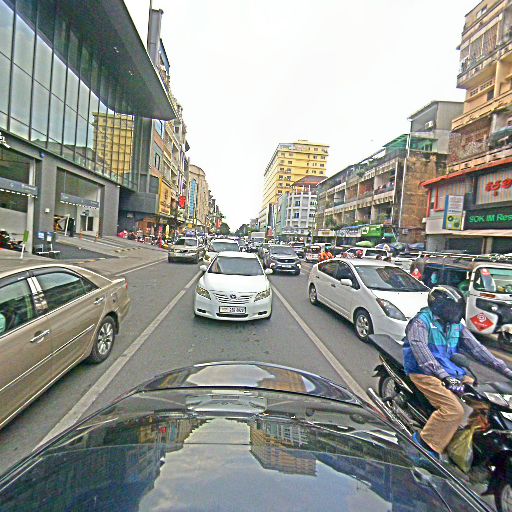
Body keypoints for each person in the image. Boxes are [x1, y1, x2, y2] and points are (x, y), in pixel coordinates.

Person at [403, 285, 512, 458]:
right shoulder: (420, 323)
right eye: (452, 309)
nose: (456, 313)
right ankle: (423, 448)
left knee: (484, 400)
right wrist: (445, 377)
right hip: (424, 373)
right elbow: (423, 355)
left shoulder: (456, 325)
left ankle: (465, 440)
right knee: (453, 410)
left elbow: (478, 350)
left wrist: (506, 371)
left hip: (451, 372)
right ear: (439, 307)